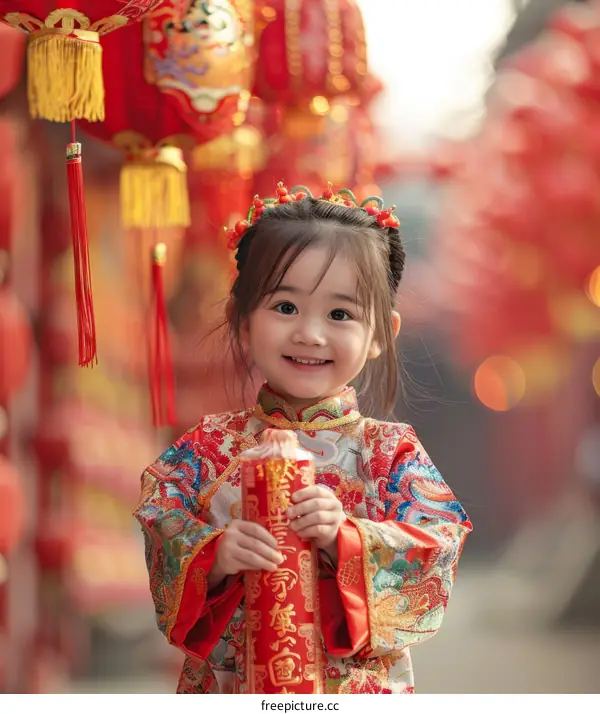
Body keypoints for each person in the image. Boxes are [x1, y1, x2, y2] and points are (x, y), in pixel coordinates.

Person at [134, 183, 472, 694]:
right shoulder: (209, 446)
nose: (310, 334)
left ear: (382, 332)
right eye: (285, 307)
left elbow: (439, 541)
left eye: (340, 314)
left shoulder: (389, 452)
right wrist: (215, 555)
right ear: (241, 322)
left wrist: (349, 538)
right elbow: (161, 517)